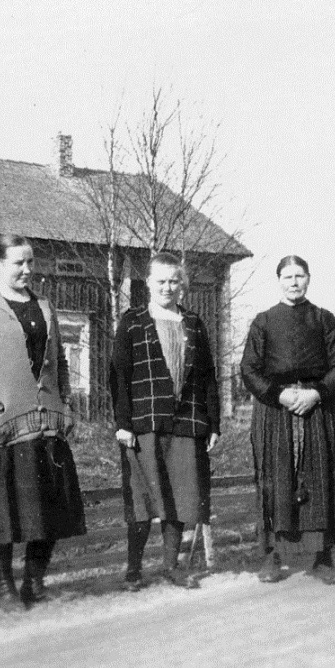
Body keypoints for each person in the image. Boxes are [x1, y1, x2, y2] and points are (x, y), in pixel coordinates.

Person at [0, 234, 87, 608]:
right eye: (18, 263)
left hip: (45, 426)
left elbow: (59, 361)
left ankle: (34, 581)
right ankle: (4, 587)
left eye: (30, 262)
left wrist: (65, 403)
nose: (27, 270)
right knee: (2, 511)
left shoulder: (45, 307)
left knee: (49, 508)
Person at [109, 252, 221, 591]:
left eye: (174, 281)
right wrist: (123, 423)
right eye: (161, 281)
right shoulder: (132, 321)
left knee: (179, 500)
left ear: (182, 284)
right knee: (143, 499)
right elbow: (118, 375)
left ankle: (171, 567)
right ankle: (133, 571)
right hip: (144, 423)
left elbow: (207, 378)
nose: (168, 287)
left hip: (187, 423)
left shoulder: (194, 323)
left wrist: (213, 424)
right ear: (148, 283)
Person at [240, 255, 335, 585]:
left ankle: (323, 559)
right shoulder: (263, 322)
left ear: (308, 279)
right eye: (287, 276)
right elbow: (249, 369)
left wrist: (316, 393)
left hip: (319, 411)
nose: (293, 282)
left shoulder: (324, 319)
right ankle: (273, 558)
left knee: (322, 481)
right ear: (278, 281)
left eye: (299, 276)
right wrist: (279, 394)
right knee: (276, 481)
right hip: (276, 412)